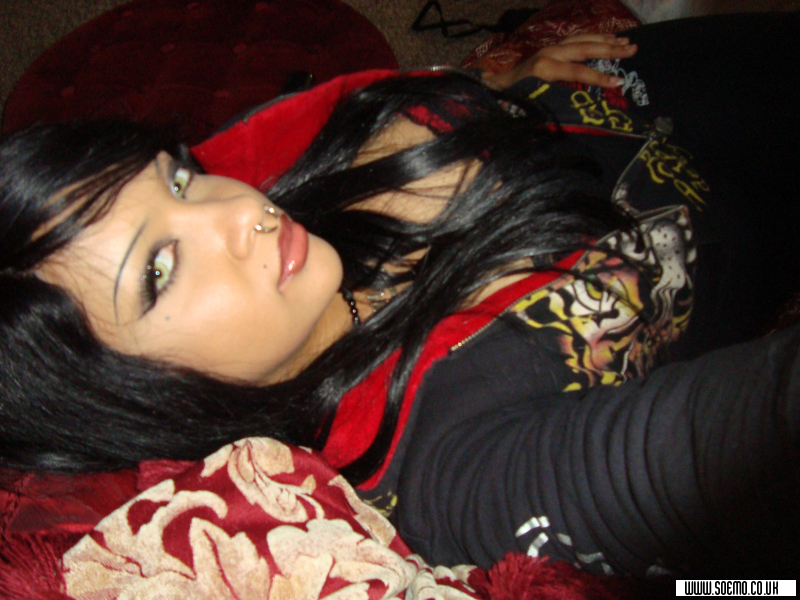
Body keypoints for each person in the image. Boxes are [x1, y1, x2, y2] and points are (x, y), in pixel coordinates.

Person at [1, 12, 799, 579]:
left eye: (177, 178)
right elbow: (714, 448)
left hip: (631, 93)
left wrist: (486, 81)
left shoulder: (277, 192)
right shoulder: (452, 473)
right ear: (134, 398)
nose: (240, 209)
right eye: (159, 270)